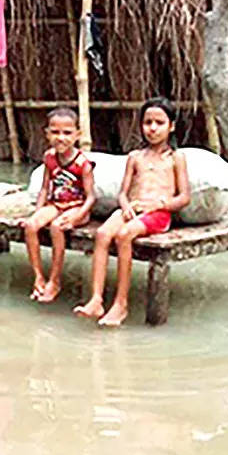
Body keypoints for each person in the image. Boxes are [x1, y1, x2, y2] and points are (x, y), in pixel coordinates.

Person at [74, 97, 190, 327]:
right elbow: (123, 193)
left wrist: (159, 205)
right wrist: (125, 205)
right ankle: (96, 299)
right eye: (148, 122)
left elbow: (184, 197)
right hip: (132, 209)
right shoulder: (135, 157)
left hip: (158, 214)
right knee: (103, 234)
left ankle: (121, 304)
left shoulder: (177, 158)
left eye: (159, 122)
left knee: (124, 234)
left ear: (171, 126)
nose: (153, 128)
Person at [23, 108, 95, 303]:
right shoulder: (49, 158)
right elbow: (45, 188)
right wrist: (38, 212)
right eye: (55, 132)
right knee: (30, 226)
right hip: (56, 204)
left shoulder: (83, 164)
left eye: (67, 133)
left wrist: (78, 216)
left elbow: (91, 198)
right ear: (47, 134)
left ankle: (54, 281)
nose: (60, 138)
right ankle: (38, 277)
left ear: (77, 135)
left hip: (78, 207)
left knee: (56, 227)